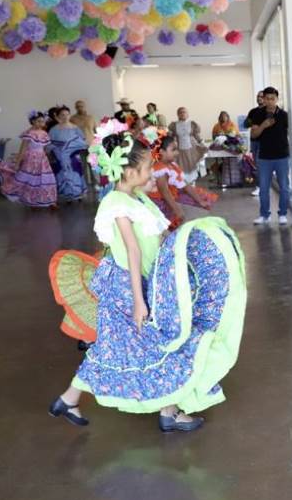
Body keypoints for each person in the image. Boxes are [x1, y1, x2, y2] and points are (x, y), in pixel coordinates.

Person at [48, 128, 246, 433]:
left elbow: (156, 236)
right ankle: (169, 412)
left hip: (141, 283)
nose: (152, 172)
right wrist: (140, 301)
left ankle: (69, 400)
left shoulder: (135, 197)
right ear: (129, 172)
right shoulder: (117, 204)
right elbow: (133, 251)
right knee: (160, 344)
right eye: (147, 168)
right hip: (128, 289)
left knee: (116, 349)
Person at [147, 133, 219, 230]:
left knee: (198, 212)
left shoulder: (172, 165)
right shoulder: (160, 169)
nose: (177, 153)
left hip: (173, 196)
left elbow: (185, 184)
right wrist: (177, 209)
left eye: (177, 149)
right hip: (163, 202)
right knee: (179, 222)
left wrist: (200, 201)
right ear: (162, 152)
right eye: (173, 150)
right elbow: (165, 192)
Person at [248, 87, 292, 226]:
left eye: (272, 99)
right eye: (267, 98)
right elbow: (253, 135)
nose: (270, 101)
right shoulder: (258, 114)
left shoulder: (284, 115)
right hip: (264, 157)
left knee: (284, 187)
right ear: (263, 99)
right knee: (263, 188)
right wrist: (263, 126)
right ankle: (264, 215)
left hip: (282, 156)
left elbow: (291, 133)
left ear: (276, 99)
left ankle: (282, 214)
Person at [0, 110, 57, 208]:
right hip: (31, 159)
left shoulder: (44, 133)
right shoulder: (29, 133)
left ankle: (48, 201)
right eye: (38, 121)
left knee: (45, 179)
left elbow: (44, 148)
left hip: (42, 160)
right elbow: (22, 149)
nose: (41, 123)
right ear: (33, 121)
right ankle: (31, 201)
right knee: (30, 179)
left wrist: (47, 158)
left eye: (42, 121)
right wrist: (17, 163)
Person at [48, 105, 89, 202]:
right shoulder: (53, 129)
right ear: (58, 116)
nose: (65, 116)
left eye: (67, 114)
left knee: (75, 172)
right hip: (59, 155)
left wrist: (73, 148)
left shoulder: (75, 128)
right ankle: (67, 196)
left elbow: (82, 141)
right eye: (62, 115)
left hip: (73, 155)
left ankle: (78, 194)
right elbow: (49, 143)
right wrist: (56, 151)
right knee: (62, 173)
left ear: (70, 115)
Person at [168, 107, 207, 185]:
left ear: (187, 114)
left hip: (191, 150)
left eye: (184, 112)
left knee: (191, 166)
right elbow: (171, 137)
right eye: (180, 112)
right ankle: (183, 184)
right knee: (180, 167)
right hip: (179, 150)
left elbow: (196, 136)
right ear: (177, 114)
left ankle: (192, 183)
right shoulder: (174, 125)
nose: (182, 114)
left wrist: (202, 142)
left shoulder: (192, 124)